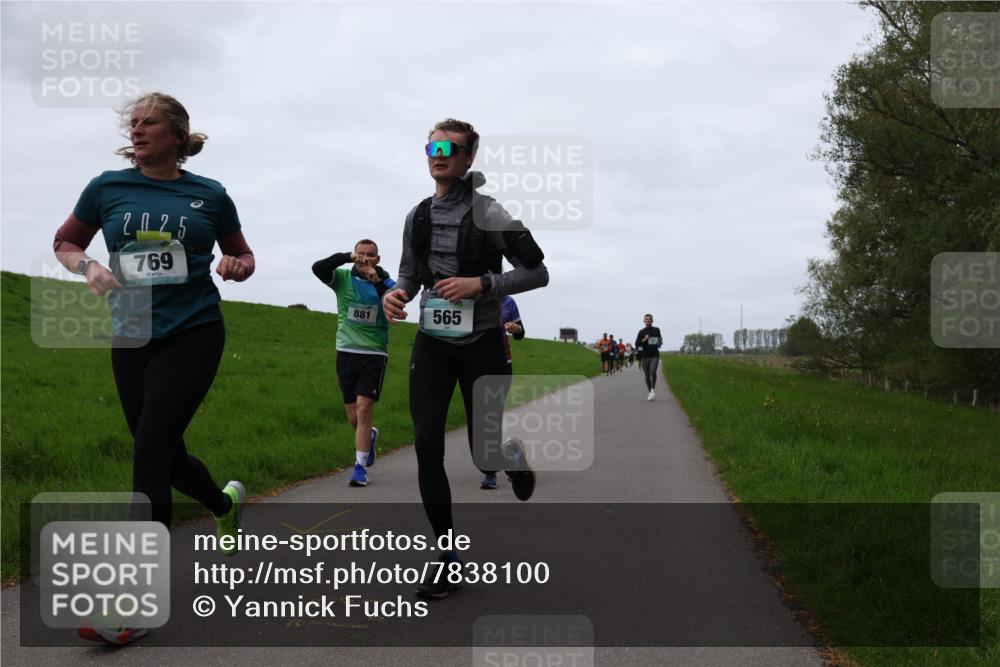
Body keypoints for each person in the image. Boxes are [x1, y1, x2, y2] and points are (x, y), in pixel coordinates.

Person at [52, 92, 254, 644]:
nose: (137, 130)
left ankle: (133, 601)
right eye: (133, 123)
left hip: (194, 329)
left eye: (149, 123)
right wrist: (87, 264)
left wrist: (236, 266)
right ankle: (223, 502)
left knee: (149, 449)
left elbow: (245, 255)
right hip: (131, 330)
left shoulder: (209, 195)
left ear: (176, 133)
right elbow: (65, 240)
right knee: (162, 452)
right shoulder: (107, 186)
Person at [382, 118, 549, 599]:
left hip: (482, 342)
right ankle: (448, 555)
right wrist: (398, 294)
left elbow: (538, 272)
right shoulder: (417, 216)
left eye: (451, 148)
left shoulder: (490, 213)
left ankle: (508, 456)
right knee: (426, 442)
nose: (440, 153)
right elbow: (410, 274)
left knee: (483, 453)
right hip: (432, 342)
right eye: (433, 146)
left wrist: (483, 285)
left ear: (469, 158)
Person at [312, 240, 396, 487]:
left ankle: (359, 467)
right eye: (361, 254)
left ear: (377, 259)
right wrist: (347, 256)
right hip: (346, 351)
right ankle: (368, 436)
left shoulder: (387, 283)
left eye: (370, 255)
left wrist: (376, 281)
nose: (365, 259)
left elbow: (396, 300)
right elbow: (318, 268)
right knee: (352, 415)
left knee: (363, 408)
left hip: (374, 353)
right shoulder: (342, 277)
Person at [480, 294, 526, 490]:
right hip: (472, 363)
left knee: (491, 416)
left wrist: (516, 329)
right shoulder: (471, 298)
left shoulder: (508, 302)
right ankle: (512, 455)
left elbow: (520, 332)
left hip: (500, 363)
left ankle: (490, 472)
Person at [635, 314, 664, 400]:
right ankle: (650, 392)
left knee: (653, 372)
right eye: (646, 319)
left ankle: (653, 389)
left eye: (649, 319)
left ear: (652, 321)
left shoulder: (656, 330)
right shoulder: (641, 332)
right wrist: (644, 339)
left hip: (654, 355)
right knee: (647, 376)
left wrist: (659, 343)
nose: (648, 320)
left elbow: (660, 340)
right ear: (644, 321)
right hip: (645, 356)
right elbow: (637, 344)